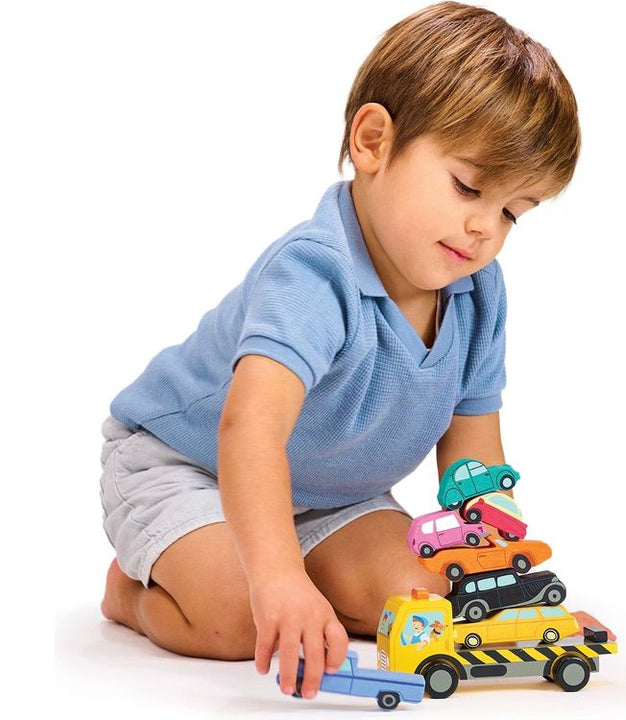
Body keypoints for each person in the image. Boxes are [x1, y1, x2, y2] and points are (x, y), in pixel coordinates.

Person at [99, 0, 579, 701]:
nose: (485, 228)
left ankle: (300, 566)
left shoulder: (479, 293)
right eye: (469, 187)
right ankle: (131, 594)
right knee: (238, 615)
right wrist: (277, 578)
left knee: (426, 599)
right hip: (189, 465)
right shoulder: (314, 273)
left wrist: (508, 591)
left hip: (330, 493)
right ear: (373, 141)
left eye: (511, 212)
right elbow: (249, 430)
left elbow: (473, 461)